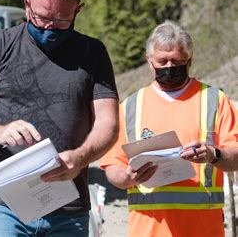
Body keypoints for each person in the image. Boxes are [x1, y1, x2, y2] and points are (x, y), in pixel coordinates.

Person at [0, 0, 119, 236]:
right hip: (5, 207)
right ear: (27, 5)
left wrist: (80, 157)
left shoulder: (92, 52)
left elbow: (108, 123)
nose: (49, 27)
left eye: (62, 20)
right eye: (41, 18)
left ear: (78, 11)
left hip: (69, 209)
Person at [100, 20, 238, 236]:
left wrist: (214, 154)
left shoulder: (214, 101)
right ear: (149, 61)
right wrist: (128, 177)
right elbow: (112, 167)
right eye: (162, 61)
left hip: (204, 229)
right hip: (148, 231)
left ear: (189, 61)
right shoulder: (130, 107)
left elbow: (236, 157)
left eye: (176, 61)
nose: (169, 68)